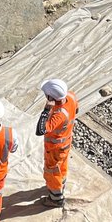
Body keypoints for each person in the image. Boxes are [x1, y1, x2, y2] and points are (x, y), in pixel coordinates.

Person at [36, 79, 79, 207]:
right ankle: (62, 183)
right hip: (65, 143)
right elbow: (76, 110)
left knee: (52, 171)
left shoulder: (59, 114)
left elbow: (40, 130)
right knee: (62, 165)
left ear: (51, 97)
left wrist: (46, 110)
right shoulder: (71, 96)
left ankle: (56, 198)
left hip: (55, 148)